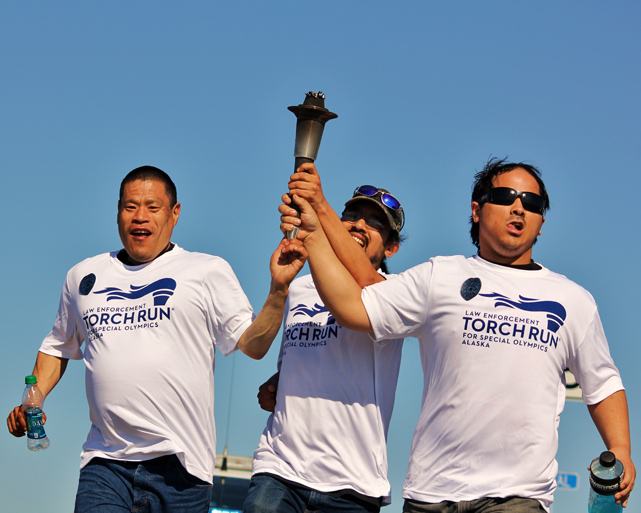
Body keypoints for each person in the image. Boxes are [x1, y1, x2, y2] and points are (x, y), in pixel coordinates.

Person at [293, 158, 635, 512]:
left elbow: (603, 382)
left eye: (531, 203)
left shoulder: (573, 300)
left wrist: (621, 448)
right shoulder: (439, 276)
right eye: (505, 196)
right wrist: (313, 232)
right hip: (431, 494)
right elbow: (354, 307)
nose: (518, 207)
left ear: (541, 224)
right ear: (477, 210)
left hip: (517, 497)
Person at [6, 165, 306, 513]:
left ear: (174, 214)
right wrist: (35, 398)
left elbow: (253, 346)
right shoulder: (83, 276)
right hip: (106, 462)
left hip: (182, 470)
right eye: (130, 206)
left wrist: (279, 290)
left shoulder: (206, 270)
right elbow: (57, 346)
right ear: (117, 212)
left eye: (152, 206)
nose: (140, 217)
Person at [243, 163, 406, 513]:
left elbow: (363, 291)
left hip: (351, 483)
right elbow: (292, 354)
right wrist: (280, 383)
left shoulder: (393, 292)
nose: (359, 225)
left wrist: (318, 213)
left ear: (391, 248)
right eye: (352, 215)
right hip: (280, 468)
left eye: (375, 223)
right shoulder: (301, 286)